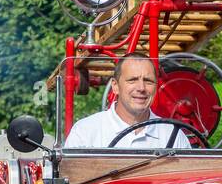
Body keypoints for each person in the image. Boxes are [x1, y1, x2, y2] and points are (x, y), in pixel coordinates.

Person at [64, 53, 192, 149]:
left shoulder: (173, 135)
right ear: (115, 86)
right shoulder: (85, 132)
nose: (141, 88)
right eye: (132, 80)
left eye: (148, 81)